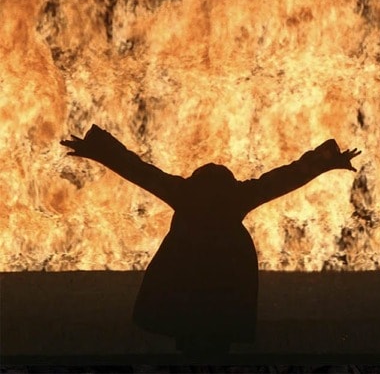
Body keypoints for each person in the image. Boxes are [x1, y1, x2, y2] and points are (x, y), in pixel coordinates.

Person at [61, 124, 360, 356]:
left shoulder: (184, 193)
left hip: (189, 268)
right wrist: (327, 160)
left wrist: (97, 148)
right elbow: (286, 177)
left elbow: (137, 170)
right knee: (216, 322)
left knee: (190, 321)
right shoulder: (238, 197)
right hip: (226, 270)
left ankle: (192, 347)